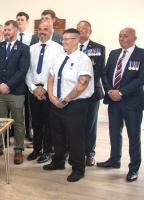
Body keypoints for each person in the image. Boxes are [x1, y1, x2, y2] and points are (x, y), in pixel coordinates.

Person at [43, 28, 94, 182]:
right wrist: (51, 96)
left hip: (75, 105)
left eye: (67, 39)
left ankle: (78, 169)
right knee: (57, 134)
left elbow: (82, 85)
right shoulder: (60, 57)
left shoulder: (83, 59)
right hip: (56, 103)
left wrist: (65, 100)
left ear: (76, 40)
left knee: (75, 138)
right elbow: (51, 77)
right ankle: (58, 161)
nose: (63, 42)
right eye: (63, 39)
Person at [98, 27, 144, 182]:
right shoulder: (114, 53)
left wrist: (121, 92)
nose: (122, 38)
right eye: (120, 35)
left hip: (132, 102)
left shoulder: (141, 54)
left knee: (134, 136)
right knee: (114, 133)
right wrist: (110, 90)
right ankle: (114, 160)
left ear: (134, 38)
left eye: (126, 35)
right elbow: (104, 74)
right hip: (114, 102)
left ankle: (134, 168)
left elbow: (140, 79)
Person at [0, 20, 30, 165]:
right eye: (5, 30)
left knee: (18, 122)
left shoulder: (24, 48)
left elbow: (22, 70)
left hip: (16, 92)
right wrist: (0, 84)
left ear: (16, 30)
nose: (6, 32)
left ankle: (18, 150)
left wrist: (8, 85)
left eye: (8, 30)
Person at [25, 22, 63, 163]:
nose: (42, 32)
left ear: (51, 31)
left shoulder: (59, 49)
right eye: (39, 30)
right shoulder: (31, 49)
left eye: (45, 29)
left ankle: (47, 151)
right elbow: (27, 71)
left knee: (48, 123)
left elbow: (57, 72)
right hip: (33, 91)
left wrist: (45, 88)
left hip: (49, 91)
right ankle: (36, 149)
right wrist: (33, 88)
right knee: (36, 123)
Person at [77, 20, 106, 166]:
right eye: (79, 28)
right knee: (76, 124)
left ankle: (90, 153)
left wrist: (82, 83)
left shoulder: (99, 48)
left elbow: (98, 70)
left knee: (90, 124)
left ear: (90, 31)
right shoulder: (71, 47)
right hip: (74, 93)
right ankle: (76, 151)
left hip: (92, 93)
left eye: (84, 28)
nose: (81, 30)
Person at [16, 11, 35, 141]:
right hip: (15, 77)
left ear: (27, 22)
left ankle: (28, 131)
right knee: (15, 107)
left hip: (28, 76)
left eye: (22, 19)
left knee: (28, 108)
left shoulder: (33, 37)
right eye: (17, 19)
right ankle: (13, 130)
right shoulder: (13, 36)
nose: (19, 22)